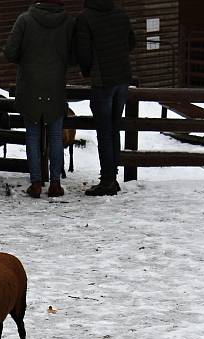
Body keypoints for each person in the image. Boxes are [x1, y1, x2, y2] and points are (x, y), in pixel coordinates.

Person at [4, 0, 74, 199]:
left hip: (30, 85)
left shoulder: (24, 20)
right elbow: (74, 55)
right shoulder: (68, 23)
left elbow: (10, 52)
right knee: (55, 137)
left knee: (33, 136)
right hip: (56, 85)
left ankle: (35, 183)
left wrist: (26, 61)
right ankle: (55, 183)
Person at [76, 0, 136, 196]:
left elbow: (83, 52)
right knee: (114, 129)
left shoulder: (85, 17)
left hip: (103, 81)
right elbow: (131, 43)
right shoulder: (120, 13)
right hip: (122, 78)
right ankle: (113, 177)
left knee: (104, 131)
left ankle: (107, 180)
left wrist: (87, 71)